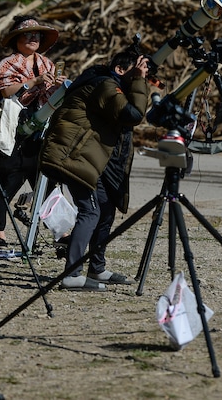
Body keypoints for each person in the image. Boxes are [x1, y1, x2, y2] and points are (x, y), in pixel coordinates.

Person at [39, 48, 151, 291]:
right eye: (136, 71)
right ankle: (71, 274)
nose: (140, 77)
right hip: (72, 156)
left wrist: (139, 81)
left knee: (105, 207)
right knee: (90, 211)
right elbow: (132, 114)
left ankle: (96, 268)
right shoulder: (104, 85)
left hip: (80, 156)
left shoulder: (106, 83)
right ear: (121, 70)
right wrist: (139, 81)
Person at [0, 15, 68, 247]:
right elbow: (3, 91)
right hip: (13, 127)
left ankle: (62, 233)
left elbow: (55, 98)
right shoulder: (8, 64)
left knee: (46, 181)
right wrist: (34, 81)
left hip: (41, 129)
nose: (33, 38)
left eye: (37, 35)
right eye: (28, 34)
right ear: (17, 39)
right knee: (4, 177)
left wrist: (59, 87)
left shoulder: (48, 64)